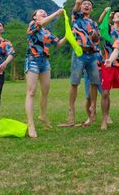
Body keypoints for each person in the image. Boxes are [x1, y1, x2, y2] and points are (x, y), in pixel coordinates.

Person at [59, 0, 101, 127]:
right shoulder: (76, 17)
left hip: (91, 55)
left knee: (95, 82)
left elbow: (97, 39)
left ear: (92, 9)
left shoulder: (93, 23)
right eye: (85, 4)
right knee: (74, 83)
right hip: (79, 53)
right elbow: (77, 2)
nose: (86, 5)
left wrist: (95, 35)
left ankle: (93, 108)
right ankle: (71, 113)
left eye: (89, 4)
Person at [25, 8, 66, 138]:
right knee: (31, 92)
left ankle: (42, 115)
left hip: (45, 62)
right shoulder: (33, 25)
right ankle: (31, 124)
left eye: (45, 12)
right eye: (40, 12)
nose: (43, 13)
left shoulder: (46, 32)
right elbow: (41, 23)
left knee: (45, 91)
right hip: (32, 60)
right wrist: (56, 14)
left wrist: (69, 35)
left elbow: (58, 44)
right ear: (34, 17)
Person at [98, 8, 119, 130]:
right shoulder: (108, 29)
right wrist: (107, 14)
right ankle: (105, 118)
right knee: (105, 92)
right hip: (108, 64)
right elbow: (101, 26)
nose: (118, 16)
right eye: (117, 15)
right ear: (113, 19)